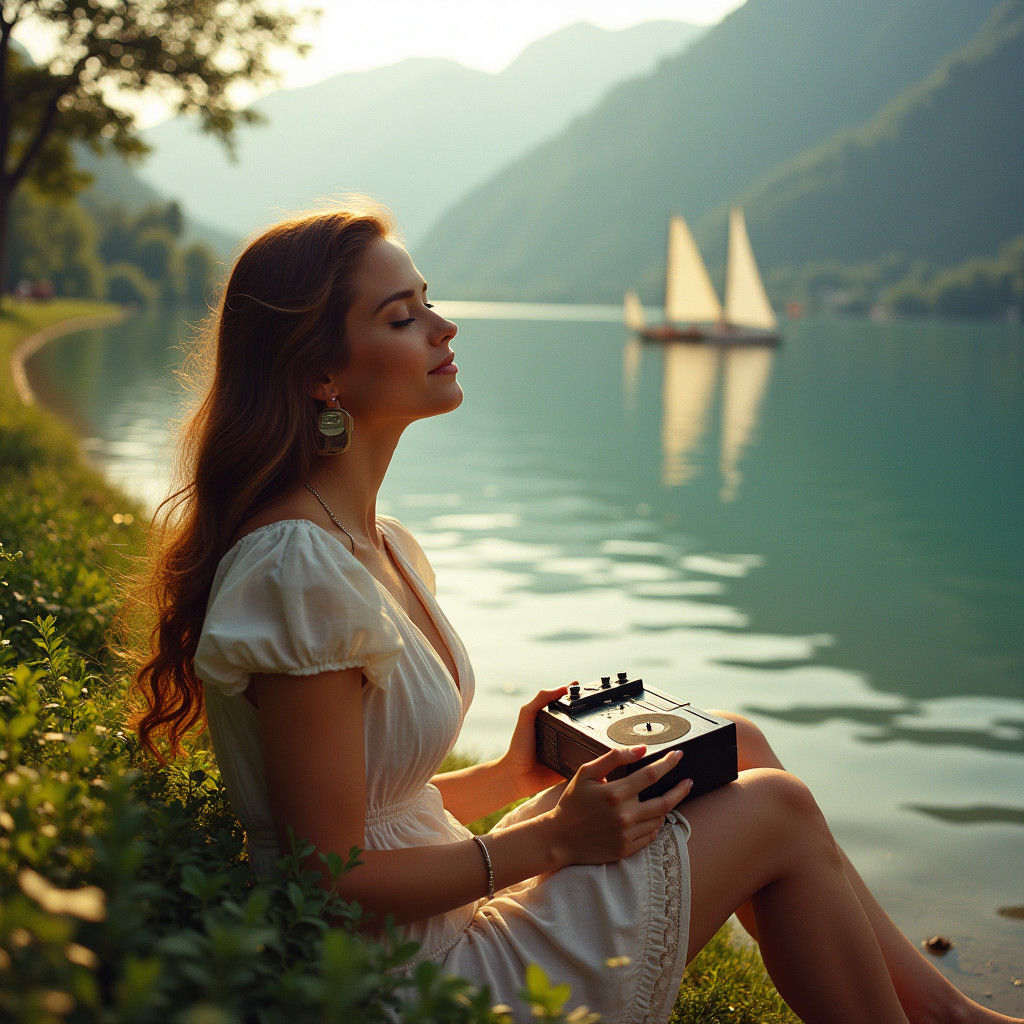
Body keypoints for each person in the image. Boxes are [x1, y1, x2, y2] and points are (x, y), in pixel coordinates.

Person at [132, 202, 1022, 1024]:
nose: (444, 328)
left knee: (734, 743)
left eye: (429, 303)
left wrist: (512, 777)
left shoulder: (378, 542)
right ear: (322, 373)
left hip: (431, 916)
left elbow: (369, 806)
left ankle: (954, 1019)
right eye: (402, 318)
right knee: (777, 809)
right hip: (399, 982)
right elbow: (326, 877)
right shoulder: (299, 569)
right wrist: (551, 840)